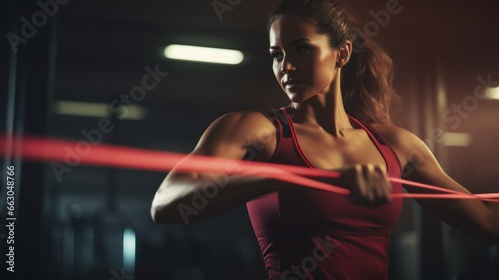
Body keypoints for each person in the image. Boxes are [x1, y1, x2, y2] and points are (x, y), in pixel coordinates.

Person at [151, 0, 499, 279]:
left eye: (301, 50)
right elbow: (164, 206)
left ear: (342, 54)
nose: (285, 67)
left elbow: (487, 223)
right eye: (277, 55)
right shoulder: (255, 131)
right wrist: (290, 177)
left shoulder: (395, 144)